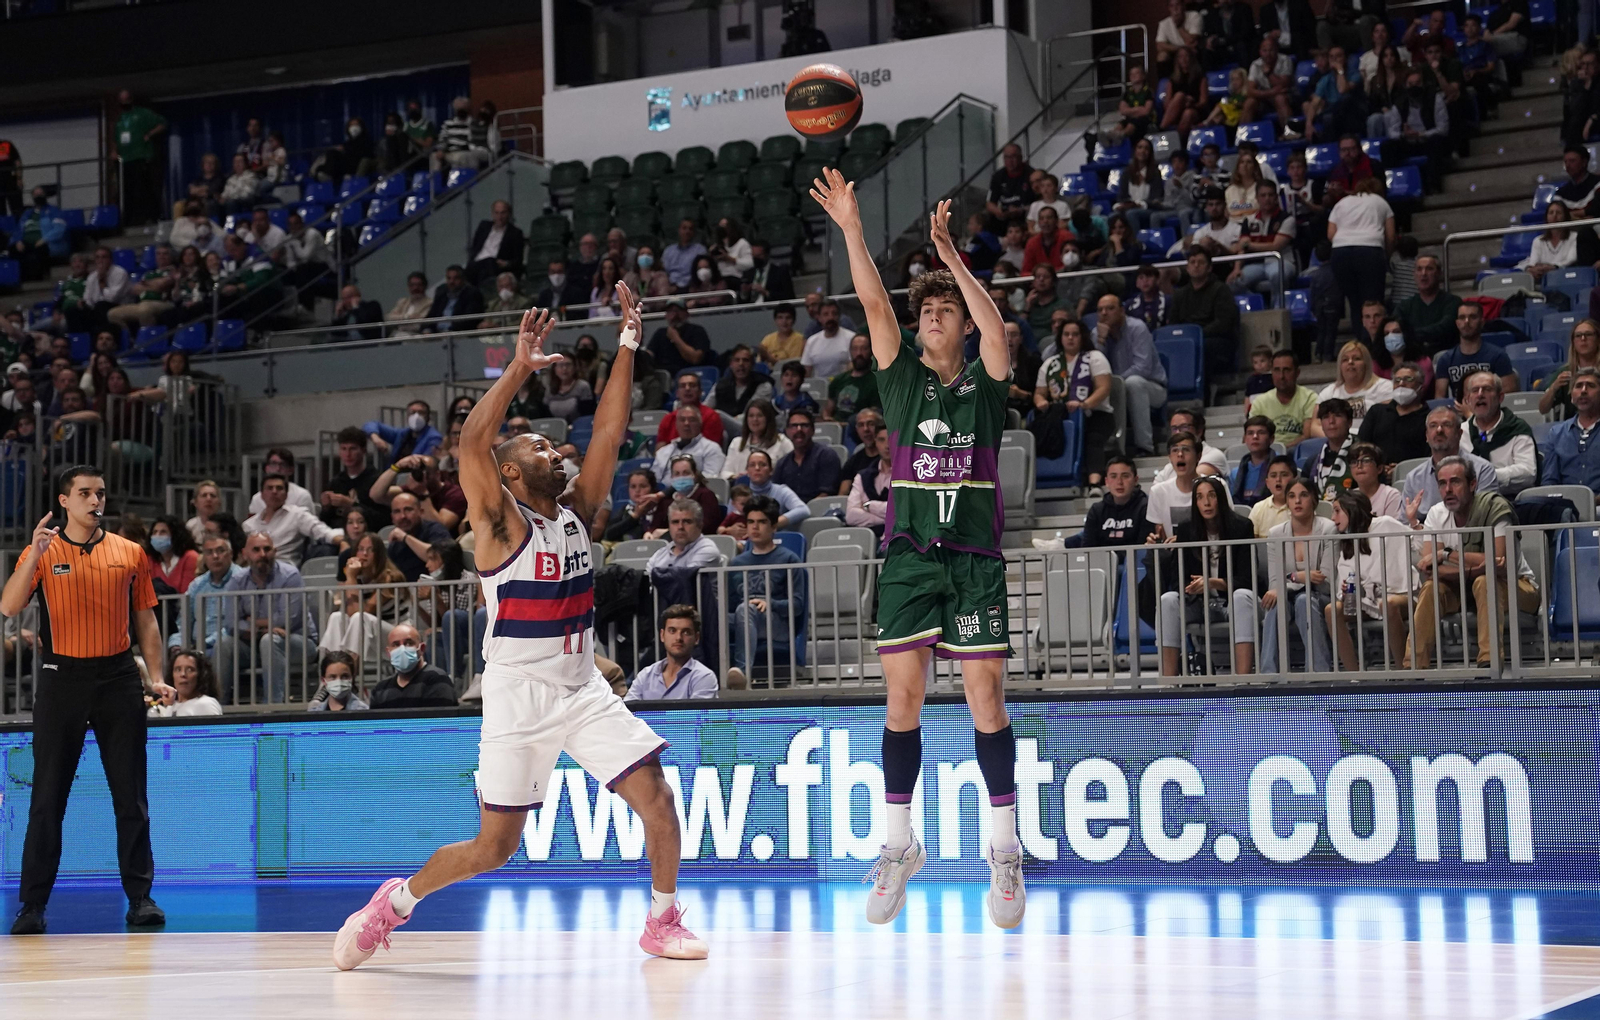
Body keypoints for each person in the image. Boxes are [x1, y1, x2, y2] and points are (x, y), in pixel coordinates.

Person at [334, 287, 708, 964]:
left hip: (582, 688)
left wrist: (628, 342)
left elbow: (608, 431)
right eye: (540, 446)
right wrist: (518, 368)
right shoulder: (499, 522)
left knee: (657, 798)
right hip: (517, 693)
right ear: (509, 471)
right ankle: (395, 902)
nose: (556, 450)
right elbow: (472, 442)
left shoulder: (577, 511)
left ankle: (662, 920)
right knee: (494, 848)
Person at [813, 170, 1025, 928]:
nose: (935, 317)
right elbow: (875, 305)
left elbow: (997, 333)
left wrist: (952, 260)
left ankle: (1004, 849)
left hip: (972, 561)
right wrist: (852, 229)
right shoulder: (901, 382)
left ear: (961, 324)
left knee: (985, 698)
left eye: (946, 311)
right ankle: (899, 845)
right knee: (902, 699)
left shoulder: (986, 386)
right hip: (908, 556)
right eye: (927, 310)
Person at [2, 466, 171, 935]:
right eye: (85, 493)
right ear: (64, 501)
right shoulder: (42, 551)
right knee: (47, 796)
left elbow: (146, 621)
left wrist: (156, 677)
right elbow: (9, 607)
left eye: (100, 493)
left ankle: (141, 899)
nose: (95, 501)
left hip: (118, 678)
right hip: (62, 679)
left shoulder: (130, 552)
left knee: (130, 796)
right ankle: (32, 906)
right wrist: (34, 556)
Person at [1406, 456, 1539, 670]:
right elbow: (1430, 569)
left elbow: (1498, 562)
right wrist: (1473, 569)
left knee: (1485, 581)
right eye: (1442, 483)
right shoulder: (1436, 514)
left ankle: (1489, 664)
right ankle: (1413, 666)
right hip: (1461, 588)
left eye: (1455, 481)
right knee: (1431, 587)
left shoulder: (1494, 508)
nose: (1448, 489)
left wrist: (1446, 554)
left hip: (1517, 586)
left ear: (1472, 484)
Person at [1156, 475, 1259, 676]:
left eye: (1212, 496)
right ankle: (1168, 682)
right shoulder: (1186, 529)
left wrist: (1213, 583)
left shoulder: (1242, 527)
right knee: (1167, 600)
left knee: (1242, 596)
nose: (1206, 502)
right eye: (1200, 497)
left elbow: (1247, 579)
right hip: (1198, 603)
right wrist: (1191, 587)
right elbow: (1177, 578)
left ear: (1221, 498)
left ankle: (1243, 680)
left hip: (1231, 603)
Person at [215, 532, 317, 703]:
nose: (262, 554)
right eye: (256, 550)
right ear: (245, 554)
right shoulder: (237, 580)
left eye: (267, 549)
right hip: (254, 646)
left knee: (270, 640)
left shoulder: (290, 576)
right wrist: (265, 628)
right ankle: (217, 706)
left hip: (299, 643)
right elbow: (232, 624)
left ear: (275, 552)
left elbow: (287, 620)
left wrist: (250, 622)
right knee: (224, 643)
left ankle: (273, 705)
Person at [722, 496, 808, 687]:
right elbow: (730, 605)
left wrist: (770, 604)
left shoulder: (788, 559)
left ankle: (743, 672)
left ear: (773, 526)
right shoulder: (737, 563)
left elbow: (798, 605)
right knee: (712, 619)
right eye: (751, 522)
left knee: (746, 609)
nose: (755, 527)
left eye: (761, 522)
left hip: (777, 623)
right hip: (743, 617)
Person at [1326, 489, 1416, 671]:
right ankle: (1354, 674)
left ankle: (1404, 671)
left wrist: (1414, 522)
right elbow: (1346, 581)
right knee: (1332, 610)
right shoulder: (1347, 540)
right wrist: (1346, 591)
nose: (1333, 518)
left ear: (1351, 508)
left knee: (1387, 603)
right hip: (1367, 601)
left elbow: (1419, 544)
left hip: (1402, 596)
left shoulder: (1385, 524)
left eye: (1337, 511)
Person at [1260, 476, 1337, 674]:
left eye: (1303, 495)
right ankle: (1270, 674)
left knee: (1304, 600)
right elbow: (1274, 582)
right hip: (1287, 596)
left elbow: (1326, 580)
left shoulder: (1328, 529)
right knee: (1274, 604)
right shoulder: (1276, 534)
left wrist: (1291, 578)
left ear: (1314, 499)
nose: (1297, 501)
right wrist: (1302, 577)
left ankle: (1318, 673)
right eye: (1292, 496)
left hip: (1321, 596)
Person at [1034, 320, 1113, 493]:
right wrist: (1041, 402)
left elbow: (1104, 388)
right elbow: (1039, 393)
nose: (1070, 338)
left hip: (1095, 414)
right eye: (1066, 334)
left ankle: (1094, 483)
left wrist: (1084, 405)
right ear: (1060, 337)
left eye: (1075, 334)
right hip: (1061, 416)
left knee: (1093, 437)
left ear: (1082, 337)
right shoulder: (1050, 363)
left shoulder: (1095, 357)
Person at [1092, 291, 1166, 457]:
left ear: (1122, 311)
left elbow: (1143, 368)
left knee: (1133, 383)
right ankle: (1105, 450)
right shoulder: (1096, 334)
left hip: (1152, 387)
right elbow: (1095, 369)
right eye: (1100, 310)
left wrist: (1115, 384)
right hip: (1115, 388)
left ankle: (1145, 447)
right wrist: (1101, 341)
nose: (1104, 313)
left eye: (1110, 308)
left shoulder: (1137, 328)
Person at [1328, 178, 1396, 348]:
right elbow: (1390, 236)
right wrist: (1386, 257)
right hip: (1370, 250)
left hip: (1340, 252)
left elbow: (1331, 234)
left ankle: (1361, 344)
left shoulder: (1342, 203)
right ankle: (1375, 345)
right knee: (1373, 302)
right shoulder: (1381, 203)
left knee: (1355, 302)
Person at [1401, 405, 1500, 518]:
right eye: (1433, 426)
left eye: (1447, 425)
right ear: (1427, 436)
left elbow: (1486, 517)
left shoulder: (1482, 470)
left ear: (1459, 434)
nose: (1439, 430)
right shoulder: (1413, 478)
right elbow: (1404, 523)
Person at [1459, 371, 1538, 497]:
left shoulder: (1517, 429)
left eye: (1487, 389)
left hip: (1511, 500)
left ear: (1500, 397)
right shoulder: (1460, 433)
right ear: (1468, 400)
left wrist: (1488, 475)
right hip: (1468, 503)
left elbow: (1528, 473)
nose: (1480, 395)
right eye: (1475, 390)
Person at [1169, 247, 1241, 380]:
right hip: (1187, 339)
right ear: (1187, 267)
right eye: (1192, 262)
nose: (1196, 266)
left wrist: (1197, 335)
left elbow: (1223, 323)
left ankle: (1201, 390)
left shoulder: (1221, 290)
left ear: (1209, 268)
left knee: (1202, 347)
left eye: (1201, 262)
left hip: (1215, 341)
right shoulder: (1180, 294)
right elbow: (1173, 323)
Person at [244, 474, 344, 567]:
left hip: (285, 571)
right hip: (254, 570)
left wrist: (343, 542)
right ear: (261, 495)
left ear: (286, 495)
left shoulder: (297, 515)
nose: (274, 492)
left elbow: (323, 532)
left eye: (279, 488)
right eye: (269, 488)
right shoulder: (249, 525)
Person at [625, 606, 719, 700]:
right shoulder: (645, 675)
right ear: (662, 635)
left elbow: (697, 711)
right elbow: (627, 708)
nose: (678, 638)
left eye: (686, 632)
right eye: (672, 631)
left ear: (696, 638)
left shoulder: (703, 677)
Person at [1382, 67, 1451, 190]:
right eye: (1411, 84)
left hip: (1428, 141)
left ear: (1423, 84)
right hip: (1408, 142)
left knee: (1437, 142)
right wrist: (1404, 135)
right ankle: (1392, 187)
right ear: (1406, 86)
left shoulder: (1435, 99)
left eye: (1417, 83)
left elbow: (1443, 129)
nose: (1414, 87)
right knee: (1387, 147)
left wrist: (1421, 134)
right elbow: (1392, 132)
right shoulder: (1400, 103)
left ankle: (1433, 186)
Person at [1147, 430, 1225, 536]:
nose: (1180, 454)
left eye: (1186, 449)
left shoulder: (1218, 486)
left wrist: (1183, 540)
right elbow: (1160, 535)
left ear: (1198, 456)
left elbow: (1227, 525)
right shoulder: (1158, 492)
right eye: (1175, 450)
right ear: (1169, 457)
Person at [1432, 304, 1517, 400]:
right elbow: (1440, 398)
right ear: (1457, 323)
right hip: (1458, 408)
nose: (1466, 322)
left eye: (1472, 317)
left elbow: (1509, 392)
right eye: (1462, 317)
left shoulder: (1498, 356)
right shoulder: (1445, 359)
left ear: (1482, 322)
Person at [1358, 361, 1432, 467]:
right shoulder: (1376, 412)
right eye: (1397, 380)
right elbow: (1362, 447)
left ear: (1421, 386)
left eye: (1408, 379)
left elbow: (1430, 456)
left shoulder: (1430, 418)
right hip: (1376, 472)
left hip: (1414, 473)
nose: (1401, 384)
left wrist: (1401, 469)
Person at [1540, 367, 1600, 497]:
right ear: (1572, 396)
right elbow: (1549, 482)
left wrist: (1591, 501)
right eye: (1578, 386)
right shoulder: (1556, 434)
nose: (1583, 391)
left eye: (1590, 386)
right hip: (1564, 505)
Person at [1313, 341, 1394, 436]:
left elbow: (1388, 422)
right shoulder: (1328, 393)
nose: (1350, 362)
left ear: (1366, 364)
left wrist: (1358, 439)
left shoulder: (1385, 387)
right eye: (1345, 359)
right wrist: (1339, 439)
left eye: (1356, 359)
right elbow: (1315, 426)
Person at [113, 89, 167, 225]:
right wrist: (114, 151)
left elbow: (162, 123)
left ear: (131, 100)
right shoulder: (119, 118)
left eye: (126, 100)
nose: (124, 103)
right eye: (121, 100)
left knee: (144, 188)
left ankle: (152, 216)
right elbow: (116, 139)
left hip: (141, 157)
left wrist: (149, 134)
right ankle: (129, 219)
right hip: (125, 159)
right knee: (126, 190)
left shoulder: (143, 113)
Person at [1395, 254, 1462, 356]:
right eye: (1419, 269)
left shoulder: (1453, 302)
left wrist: (1411, 334)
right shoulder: (1404, 306)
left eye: (1429, 269)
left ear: (1439, 273)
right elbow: (1395, 330)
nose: (1423, 273)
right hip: (1414, 359)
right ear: (1414, 274)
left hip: (1446, 357)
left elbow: (1445, 328)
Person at [772, 407, 841, 503]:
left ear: (813, 430)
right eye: (794, 426)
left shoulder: (826, 456)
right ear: (787, 431)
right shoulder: (782, 464)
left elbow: (826, 495)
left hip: (818, 509)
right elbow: (776, 497)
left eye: (804, 425)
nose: (799, 430)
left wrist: (802, 509)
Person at [1250, 350, 1319, 446]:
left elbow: (1307, 435)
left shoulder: (1310, 398)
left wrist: (1283, 450)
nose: (1281, 376)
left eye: (1287, 370)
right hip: (1268, 452)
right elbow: (1251, 436)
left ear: (1297, 373)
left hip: (1299, 451)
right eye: (1277, 370)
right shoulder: (1260, 402)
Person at [646, 455, 726, 536]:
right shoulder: (666, 500)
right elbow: (655, 526)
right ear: (671, 477)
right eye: (677, 474)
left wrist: (668, 532)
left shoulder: (706, 495)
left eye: (686, 473)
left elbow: (707, 527)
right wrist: (649, 533)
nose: (681, 477)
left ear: (694, 475)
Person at [1540, 319, 1600, 419]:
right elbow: (1543, 409)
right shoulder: (1565, 373)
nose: (1583, 338)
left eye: (1588, 334)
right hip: (1573, 426)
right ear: (1573, 343)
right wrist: (1554, 388)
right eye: (1578, 335)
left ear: (1597, 340)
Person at [1153, 409, 1230, 483]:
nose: (1178, 432)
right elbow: (1156, 489)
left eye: (1184, 427)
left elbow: (1191, 483)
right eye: (1174, 428)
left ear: (1199, 431)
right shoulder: (1169, 468)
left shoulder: (1214, 455)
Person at [723, 398, 792, 479]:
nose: (755, 419)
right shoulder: (736, 443)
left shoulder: (782, 442)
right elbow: (725, 473)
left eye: (759, 415)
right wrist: (736, 477)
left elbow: (792, 470)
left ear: (768, 419)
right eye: (751, 416)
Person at [364, 399, 443, 467]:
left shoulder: (434, 437)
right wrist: (376, 438)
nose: (416, 416)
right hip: (395, 472)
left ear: (428, 417)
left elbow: (427, 462)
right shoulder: (402, 434)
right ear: (407, 416)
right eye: (412, 412)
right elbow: (370, 424)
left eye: (421, 413)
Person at [652, 405, 725, 479]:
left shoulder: (711, 449)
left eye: (692, 420)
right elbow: (654, 480)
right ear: (676, 425)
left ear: (700, 424)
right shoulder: (663, 452)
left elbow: (711, 479)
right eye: (682, 420)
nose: (686, 423)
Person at [146, 649, 223, 718]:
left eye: (190, 669)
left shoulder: (206, 704)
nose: (183, 674)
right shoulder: (171, 707)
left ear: (201, 675)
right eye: (178, 669)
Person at [466, 201, 525, 287]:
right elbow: (475, 246)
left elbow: (518, 260)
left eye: (503, 213)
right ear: (492, 214)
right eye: (496, 213)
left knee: (489, 262)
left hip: (495, 266)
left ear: (509, 214)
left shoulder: (515, 233)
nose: (499, 217)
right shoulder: (484, 226)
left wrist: (506, 263)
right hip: (476, 264)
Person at [1308, 397, 1358, 499]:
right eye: (1326, 417)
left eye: (1338, 415)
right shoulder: (1312, 462)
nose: (1331, 421)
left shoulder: (1362, 455)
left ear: (1349, 422)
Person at [1244, 37, 1298, 129]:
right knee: (1250, 102)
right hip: (1265, 97)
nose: (1268, 54)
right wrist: (1271, 92)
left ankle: (1289, 131)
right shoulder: (1255, 64)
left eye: (1271, 50)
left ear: (1276, 50)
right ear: (1260, 52)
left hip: (1287, 95)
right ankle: (1243, 134)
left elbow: (1283, 85)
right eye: (1264, 51)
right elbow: (1250, 91)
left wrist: (1269, 74)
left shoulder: (1285, 60)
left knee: (1279, 98)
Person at [825, 334, 881, 423]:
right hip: (836, 426)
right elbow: (828, 410)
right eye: (855, 349)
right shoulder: (838, 380)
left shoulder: (877, 382)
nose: (859, 353)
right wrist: (826, 418)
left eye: (864, 349)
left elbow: (873, 415)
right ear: (850, 351)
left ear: (871, 351)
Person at [1519, 201, 1578, 282]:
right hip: (1543, 279)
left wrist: (1553, 267)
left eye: (1558, 213)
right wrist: (1535, 269)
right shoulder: (1538, 241)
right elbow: (1533, 263)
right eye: (1551, 213)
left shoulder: (1574, 237)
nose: (1554, 216)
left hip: (1566, 278)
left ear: (1565, 216)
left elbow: (1571, 260)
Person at [647, 300, 712, 375]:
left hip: (690, 373)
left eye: (678, 310)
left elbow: (695, 359)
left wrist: (676, 338)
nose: (674, 315)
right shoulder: (660, 333)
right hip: (663, 375)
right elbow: (649, 355)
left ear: (686, 314)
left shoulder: (697, 331)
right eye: (670, 311)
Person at [800, 299, 856, 380]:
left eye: (834, 314)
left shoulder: (852, 338)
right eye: (826, 314)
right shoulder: (811, 341)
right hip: (819, 386)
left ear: (839, 316)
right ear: (819, 318)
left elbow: (854, 369)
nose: (831, 317)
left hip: (844, 383)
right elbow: (806, 373)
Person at [1230, 415, 1279, 506]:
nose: (1255, 437)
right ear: (1245, 439)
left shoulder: (1281, 467)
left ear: (1271, 439)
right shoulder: (1235, 474)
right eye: (1250, 433)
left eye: (1261, 432)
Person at [713, 345, 773, 418]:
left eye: (745, 360)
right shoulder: (720, 384)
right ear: (731, 364)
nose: (741, 364)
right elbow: (706, 408)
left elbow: (754, 414)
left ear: (752, 365)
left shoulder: (763, 385)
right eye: (737, 360)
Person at [1250, 454, 1302, 536]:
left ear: (1295, 480)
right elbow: (1251, 541)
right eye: (1273, 476)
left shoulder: (1303, 507)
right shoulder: (1258, 508)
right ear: (1267, 483)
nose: (1278, 479)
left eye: (1284, 475)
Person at [147, 514, 199, 595]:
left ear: (175, 535)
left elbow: (186, 593)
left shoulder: (190, 557)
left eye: (163, 532)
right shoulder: (150, 560)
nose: (157, 536)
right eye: (154, 532)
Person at [426, 265, 487, 333]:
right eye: (449, 278)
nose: (451, 281)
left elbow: (469, 321)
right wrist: (427, 329)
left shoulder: (472, 294)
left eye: (456, 278)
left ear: (463, 279)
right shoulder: (441, 292)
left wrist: (451, 330)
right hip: (437, 334)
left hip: (459, 334)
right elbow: (431, 315)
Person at [306, 651, 370, 712]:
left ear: (352, 677)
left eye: (344, 676)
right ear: (323, 680)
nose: (339, 681)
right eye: (332, 677)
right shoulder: (314, 712)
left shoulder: (363, 712)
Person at [758, 303, 806, 367]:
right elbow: (759, 363)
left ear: (794, 320)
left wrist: (769, 358)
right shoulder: (768, 339)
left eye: (788, 318)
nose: (784, 321)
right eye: (780, 318)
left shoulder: (800, 339)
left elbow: (792, 367)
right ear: (775, 320)